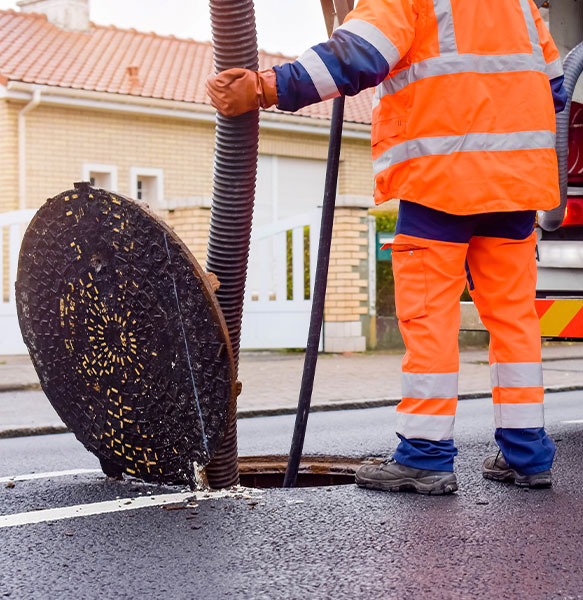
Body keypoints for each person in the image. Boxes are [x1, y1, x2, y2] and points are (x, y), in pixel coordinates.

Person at [206, 0, 567, 494]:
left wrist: (265, 86)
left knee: (429, 318)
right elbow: (555, 87)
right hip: (517, 186)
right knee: (514, 319)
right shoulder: (520, 4)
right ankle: (527, 455)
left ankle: (425, 455)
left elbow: (357, 56)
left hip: (441, 180)